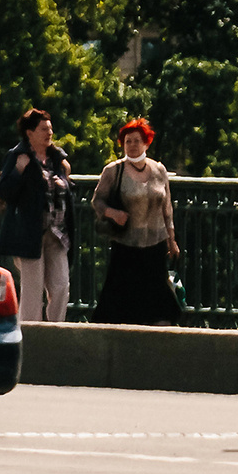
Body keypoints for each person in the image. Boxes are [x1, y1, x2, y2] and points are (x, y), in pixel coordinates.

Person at [89, 117, 182, 325]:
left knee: (158, 295)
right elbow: (98, 201)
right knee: (122, 294)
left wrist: (172, 239)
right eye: (127, 141)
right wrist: (113, 213)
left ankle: (156, 333)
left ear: (146, 143)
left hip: (155, 241)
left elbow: (167, 208)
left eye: (136, 141)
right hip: (126, 242)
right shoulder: (113, 170)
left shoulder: (159, 170)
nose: (131, 145)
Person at [0, 107, 73, 323]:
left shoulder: (57, 159)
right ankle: (30, 337)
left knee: (61, 287)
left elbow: (63, 191)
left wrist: (65, 180)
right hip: (29, 233)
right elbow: (4, 192)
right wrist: (19, 171)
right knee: (32, 290)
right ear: (29, 133)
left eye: (50, 129)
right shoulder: (18, 156)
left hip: (57, 232)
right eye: (43, 129)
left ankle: (55, 333)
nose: (49, 133)